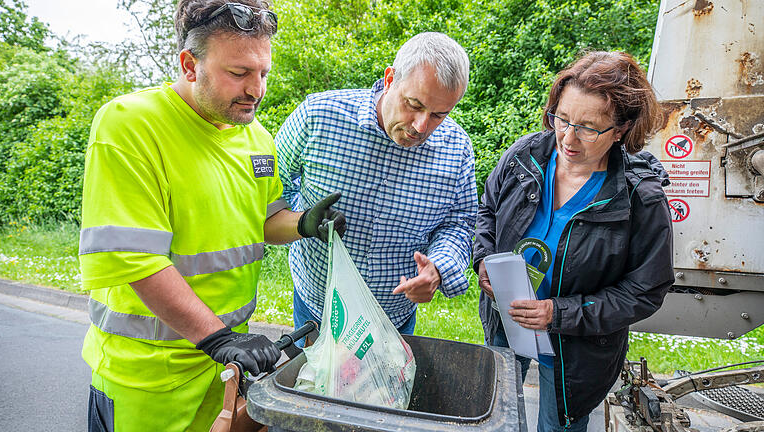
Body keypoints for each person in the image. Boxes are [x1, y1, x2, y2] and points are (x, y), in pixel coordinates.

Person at [79, 1, 345, 431]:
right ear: (189, 64)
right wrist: (218, 338)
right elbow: (134, 258)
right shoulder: (130, 125)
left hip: (223, 367)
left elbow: (260, 222)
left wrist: (302, 224)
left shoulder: (256, 137)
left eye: (263, 73)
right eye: (239, 73)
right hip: (146, 377)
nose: (256, 89)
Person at [473, 51, 674, 431]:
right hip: (506, 323)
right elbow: (487, 211)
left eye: (588, 127)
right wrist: (483, 258)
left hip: (575, 351)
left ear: (621, 130)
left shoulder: (639, 198)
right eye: (562, 119)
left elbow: (646, 290)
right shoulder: (525, 156)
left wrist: (559, 313)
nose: (568, 137)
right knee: (495, 419)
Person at [274, 32, 477, 340]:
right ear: (389, 79)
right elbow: (271, 192)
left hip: (393, 321)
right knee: (308, 389)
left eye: (439, 115)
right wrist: (299, 222)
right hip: (316, 310)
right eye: (413, 104)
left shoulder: (457, 148)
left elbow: (459, 223)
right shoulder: (317, 116)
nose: (421, 126)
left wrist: (437, 268)